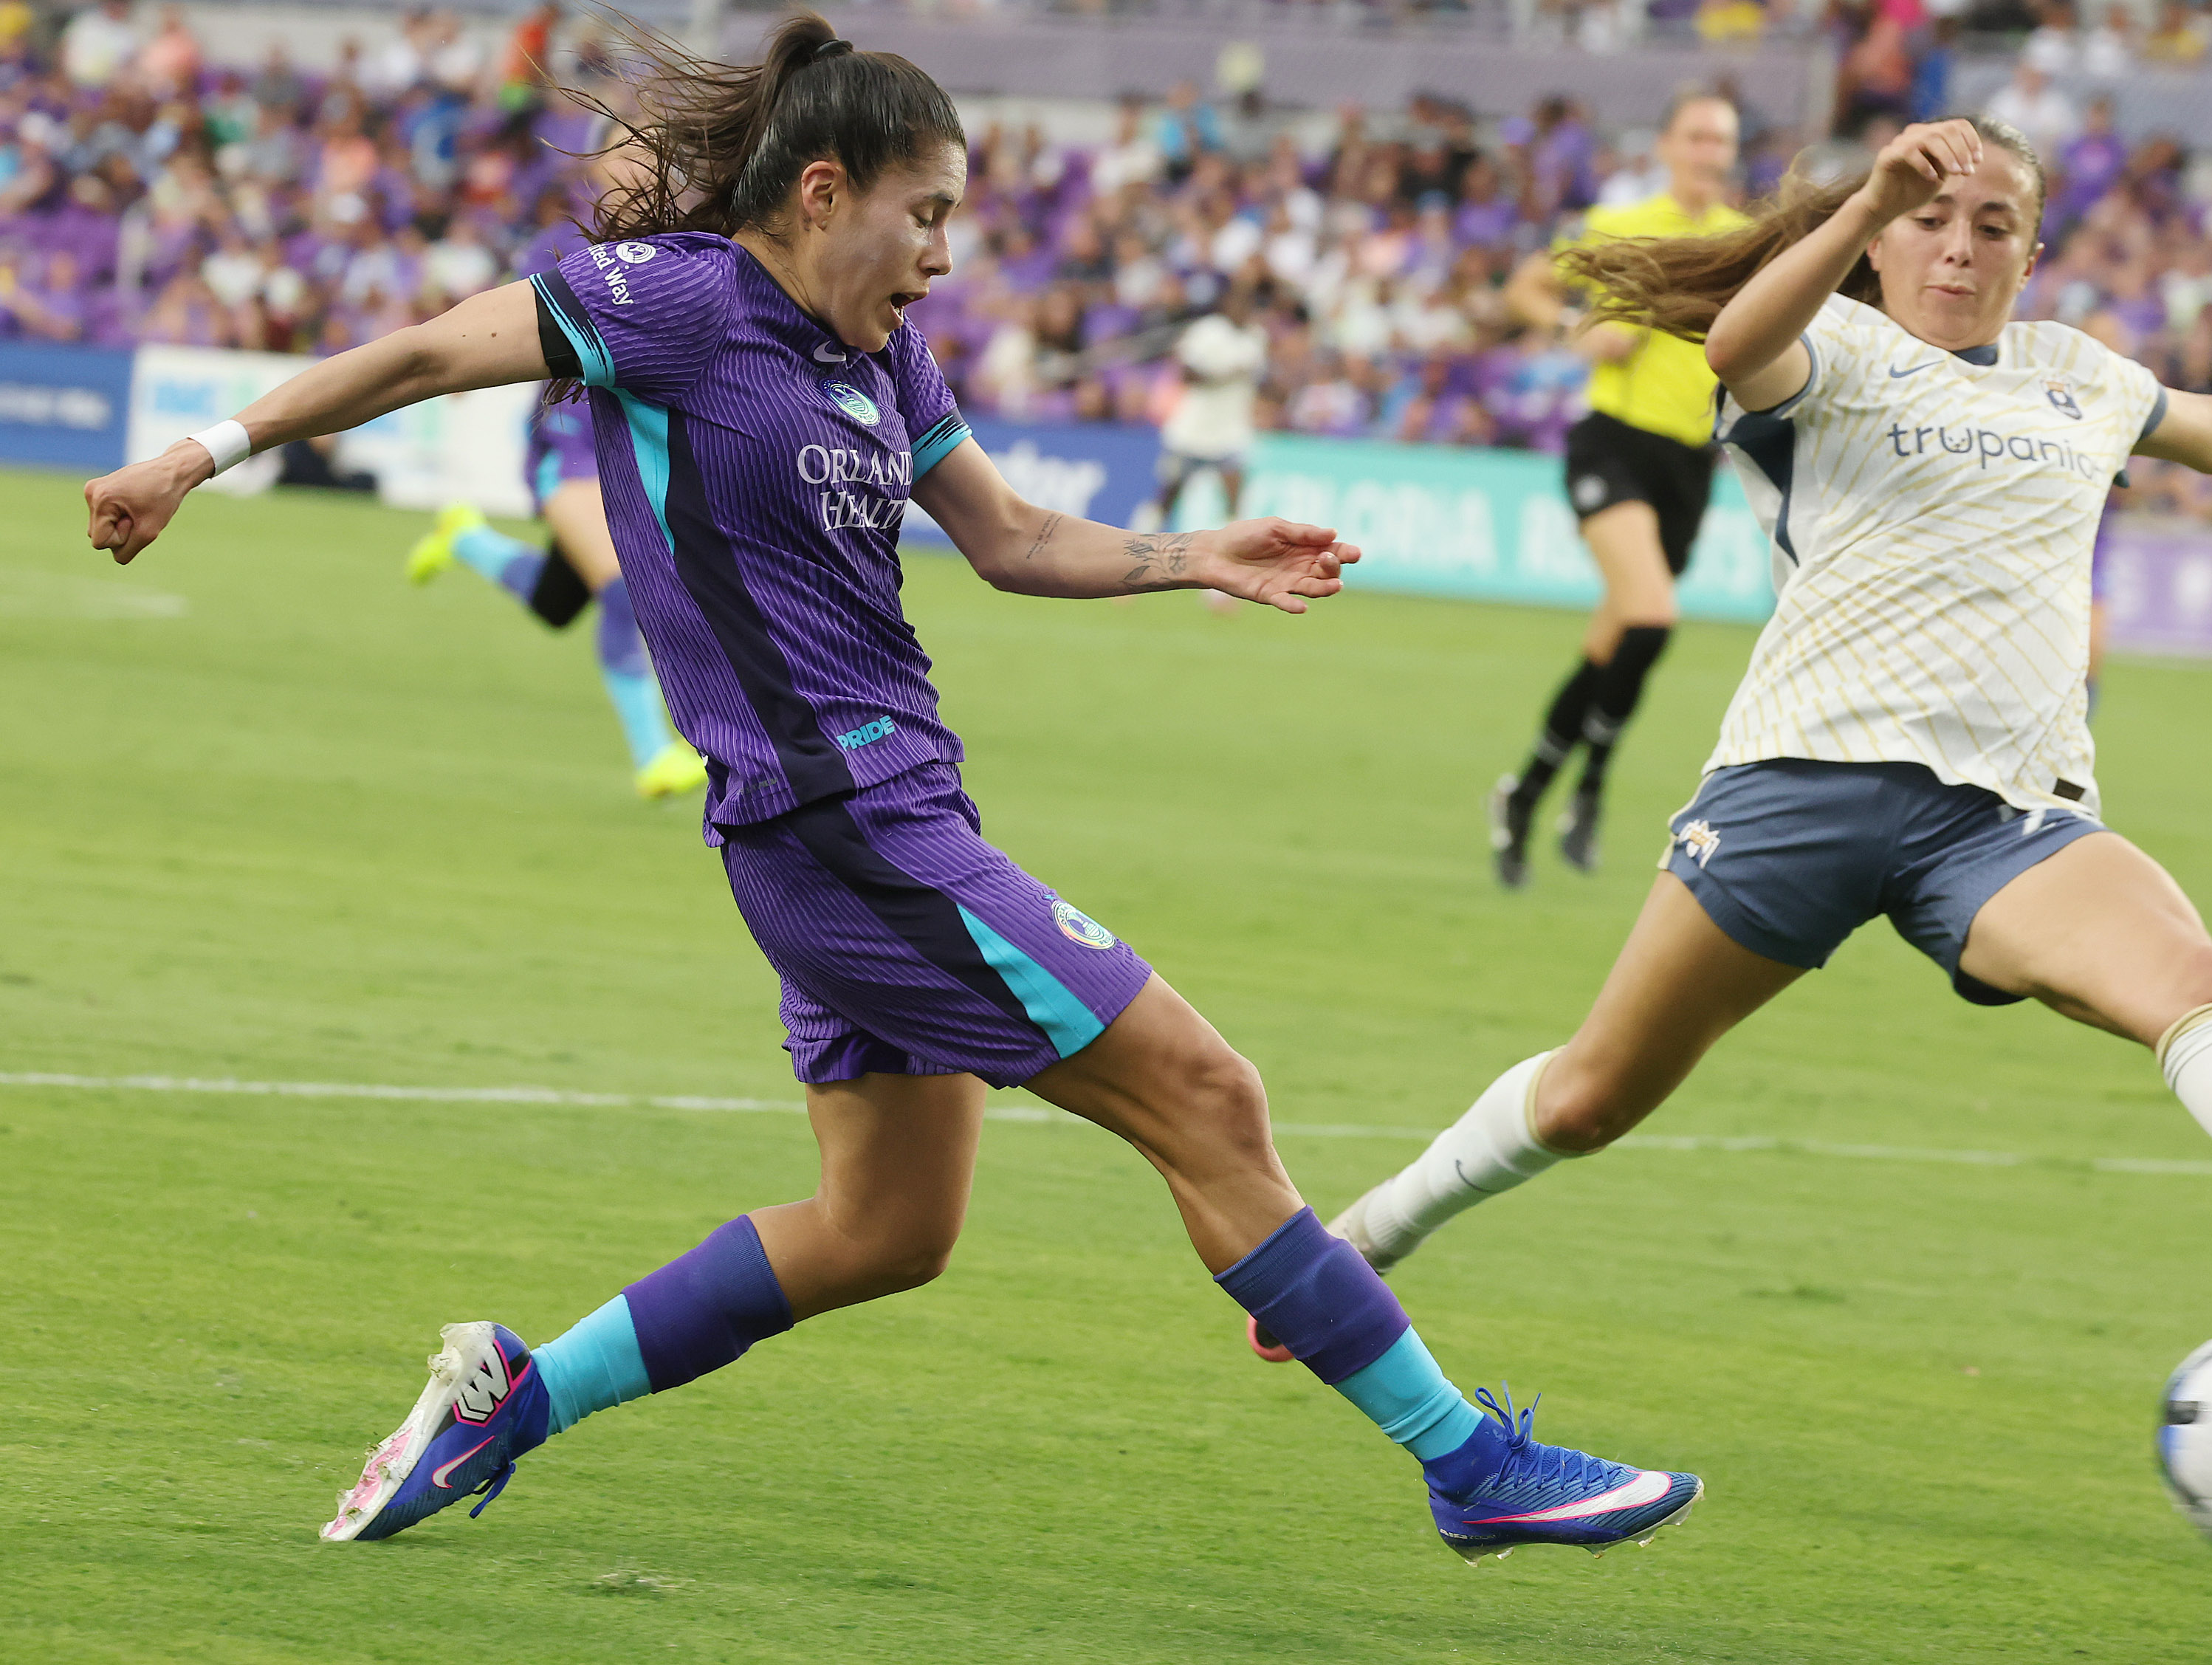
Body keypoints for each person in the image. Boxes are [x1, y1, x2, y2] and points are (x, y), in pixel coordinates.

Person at [83, 22, 1703, 1566]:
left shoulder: (887, 357)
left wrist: (1186, 552)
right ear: (822, 193)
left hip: (881, 826)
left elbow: (1009, 540)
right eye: (924, 214)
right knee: (1207, 1096)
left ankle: (518, 1390)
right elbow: (434, 351)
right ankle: (1465, 1464)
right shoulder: (673, 305)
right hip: (839, 827)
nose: (941, 253)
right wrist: (195, 451)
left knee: (886, 1226)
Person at [1299, 119, 2212, 1331]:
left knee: (2192, 982)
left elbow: (2206, 429)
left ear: (2029, 256)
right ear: (1878, 245)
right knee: (1585, 1101)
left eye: (1993, 227)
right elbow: (1733, 340)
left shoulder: (2080, 373)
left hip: (2002, 819)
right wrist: (1864, 200)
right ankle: (1365, 1240)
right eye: (1927, 222)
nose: (1956, 248)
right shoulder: (1833, 344)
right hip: (1801, 782)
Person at [1493, 89, 1748, 886]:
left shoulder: (1744, 243)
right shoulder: (1624, 222)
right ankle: (1593, 788)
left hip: (1689, 463)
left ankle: (1527, 793)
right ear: (1669, 144)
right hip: (1613, 442)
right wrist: (1581, 327)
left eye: (1722, 140)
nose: (1709, 150)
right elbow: (1525, 287)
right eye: (1697, 135)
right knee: (1650, 614)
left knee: (1618, 641)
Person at [405, 168, 710, 801]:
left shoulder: (687, 243)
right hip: (570, 445)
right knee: (625, 591)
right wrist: (458, 360)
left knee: (557, 601)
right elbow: (514, 317)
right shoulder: (562, 241)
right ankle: (654, 754)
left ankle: (465, 538)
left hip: (631, 448)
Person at [1155, 283, 1268, 614]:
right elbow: (1187, 374)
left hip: (1230, 434)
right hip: (1191, 432)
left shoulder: (1256, 338)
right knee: (1166, 500)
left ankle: (1223, 590)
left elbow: (1256, 377)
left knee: (1234, 506)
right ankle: (1128, 572)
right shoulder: (1205, 332)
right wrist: (1224, 374)